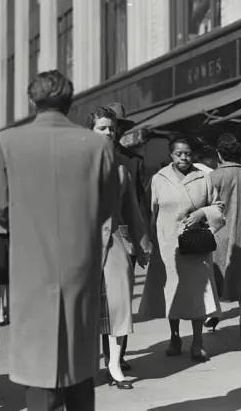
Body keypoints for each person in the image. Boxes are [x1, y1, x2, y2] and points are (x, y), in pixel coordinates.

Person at [0, 71, 119, 411]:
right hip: (81, 263)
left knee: (40, 371)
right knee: (80, 365)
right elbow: (108, 206)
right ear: (71, 103)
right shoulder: (98, 145)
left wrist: (24, 223)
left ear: (33, 100)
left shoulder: (4, 142)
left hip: (30, 265)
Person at [138, 138, 224, 362]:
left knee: (198, 293)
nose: (183, 157)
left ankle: (197, 342)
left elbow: (219, 206)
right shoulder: (158, 180)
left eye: (187, 153)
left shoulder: (203, 178)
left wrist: (202, 213)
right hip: (168, 245)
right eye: (178, 154)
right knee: (172, 294)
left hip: (195, 245)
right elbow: (148, 212)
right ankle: (174, 336)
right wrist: (146, 241)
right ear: (171, 155)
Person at [85, 106, 149, 390]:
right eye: (102, 127)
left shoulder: (122, 170)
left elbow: (132, 211)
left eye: (111, 128)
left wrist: (143, 245)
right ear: (90, 131)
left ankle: (114, 366)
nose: (109, 132)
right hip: (82, 246)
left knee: (119, 307)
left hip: (114, 244)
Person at [104, 102, 152, 372]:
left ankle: (117, 356)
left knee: (121, 299)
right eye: (111, 126)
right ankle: (108, 355)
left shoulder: (133, 161)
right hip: (99, 238)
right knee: (104, 301)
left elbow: (138, 204)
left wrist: (145, 241)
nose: (115, 131)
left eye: (118, 127)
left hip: (126, 238)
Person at [206, 134, 241, 335]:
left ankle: (215, 313)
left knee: (215, 275)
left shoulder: (212, 177)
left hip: (218, 234)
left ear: (219, 154)